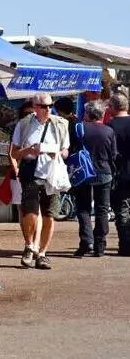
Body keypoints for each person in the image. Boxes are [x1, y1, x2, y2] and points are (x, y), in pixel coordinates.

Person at [10, 93, 70, 270]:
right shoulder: (24, 124)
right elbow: (14, 153)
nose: (48, 109)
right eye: (44, 106)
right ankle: (29, 246)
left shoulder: (60, 124)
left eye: (50, 105)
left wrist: (56, 153)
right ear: (35, 107)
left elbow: (66, 151)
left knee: (49, 215)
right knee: (30, 213)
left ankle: (42, 253)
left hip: (52, 173)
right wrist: (29, 150)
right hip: (31, 171)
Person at [73, 101, 117, 257]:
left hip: (83, 173)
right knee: (102, 209)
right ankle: (100, 246)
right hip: (104, 172)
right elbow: (113, 154)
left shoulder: (79, 128)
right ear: (101, 114)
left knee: (83, 208)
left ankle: (86, 241)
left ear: (87, 114)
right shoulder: (109, 131)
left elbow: (73, 150)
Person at [109, 93, 130, 256]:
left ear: (113, 108)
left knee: (121, 209)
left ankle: (125, 245)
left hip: (119, 173)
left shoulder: (110, 126)